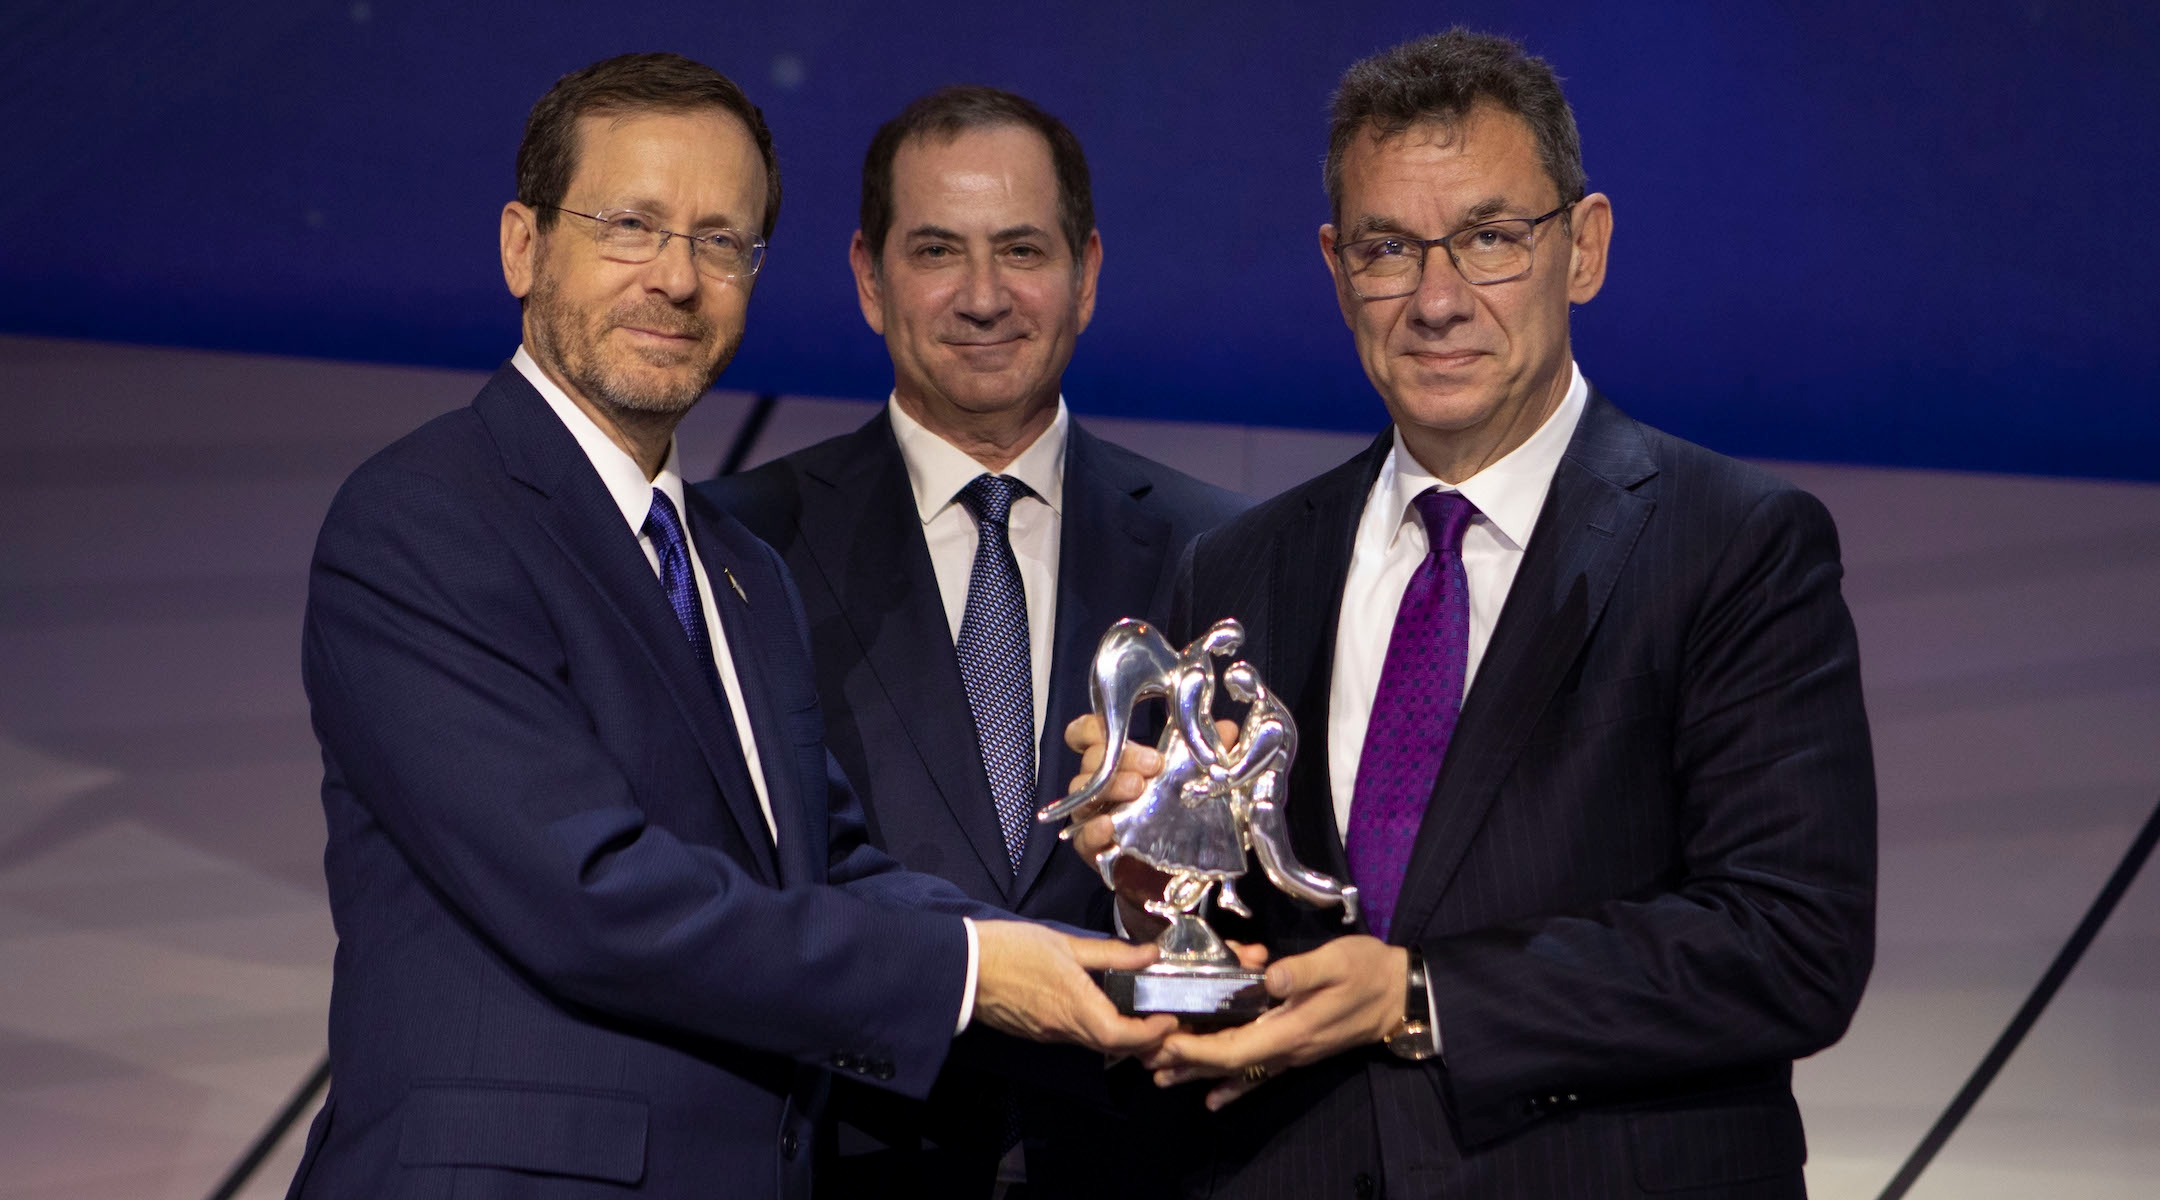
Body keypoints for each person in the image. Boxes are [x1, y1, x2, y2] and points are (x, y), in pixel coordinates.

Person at [287, 54, 1173, 1200]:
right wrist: (967, 968)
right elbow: (589, 893)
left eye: (721, 242)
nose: (677, 279)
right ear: (523, 244)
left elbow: (827, 863)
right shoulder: (427, 516)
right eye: (630, 226)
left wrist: (1081, 960)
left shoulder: (735, 568)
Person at [1067, 29, 1876, 1198]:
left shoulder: (1735, 543)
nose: (1437, 300)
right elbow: (1253, 934)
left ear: (1582, 247)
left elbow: (1789, 946)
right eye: (1391, 248)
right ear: (1339, 265)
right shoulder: (1240, 565)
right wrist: (1157, 889)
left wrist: (1419, 996)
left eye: (1492, 239)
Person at [701, 86, 1247, 1195]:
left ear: (1086, 273)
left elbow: (1274, 886)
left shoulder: (1228, 551)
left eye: (1024, 250)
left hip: (1145, 1161)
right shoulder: (737, 550)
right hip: (846, 1163)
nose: (985, 296)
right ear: (869, 277)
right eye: (938, 249)